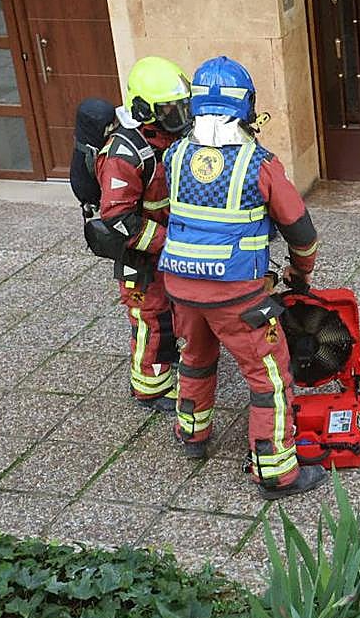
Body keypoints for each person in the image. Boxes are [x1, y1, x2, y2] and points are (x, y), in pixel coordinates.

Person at [158, 56, 325, 499]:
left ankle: (191, 434)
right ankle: (276, 472)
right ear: (246, 107)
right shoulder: (259, 163)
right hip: (238, 294)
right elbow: (301, 230)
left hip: (180, 286)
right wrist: (300, 272)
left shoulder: (174, 155)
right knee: (268, 377)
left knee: (194, 357)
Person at [95, 56, 191, 412]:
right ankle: (149, 386)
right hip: (139, 253)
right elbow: (118, 217)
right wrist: (169, 243)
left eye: (183, 107)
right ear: (143, 110)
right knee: (151, 318)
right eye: (169, 110)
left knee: (174, 313)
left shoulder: (170, 138)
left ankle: (167, 362)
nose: (180, 117)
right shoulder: (124, 154)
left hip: (169, 245)